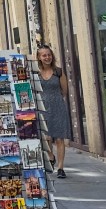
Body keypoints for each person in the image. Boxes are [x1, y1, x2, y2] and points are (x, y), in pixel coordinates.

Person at [36, 45, 72, 178]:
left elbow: (65, 91)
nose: (47, 57)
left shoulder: (58, 71)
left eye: (49, 54)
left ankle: (61, 168)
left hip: (57, 107)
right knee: (46, 137)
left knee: (59, 138)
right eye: (44, 55)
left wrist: (55, 98)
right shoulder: (36, 73)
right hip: (42, 107)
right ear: (39, 57)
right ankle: (51, 156)